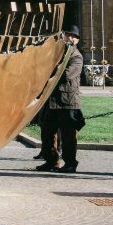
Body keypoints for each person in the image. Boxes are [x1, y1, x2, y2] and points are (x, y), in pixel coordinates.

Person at [35, 26, 84, 173]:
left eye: (72, 36)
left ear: (77, 40)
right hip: (51, 100)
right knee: (47, 131)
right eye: (67, 35)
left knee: (68, 135)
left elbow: (66, 75)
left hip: (67, 101)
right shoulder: (57, 54)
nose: (69, 38)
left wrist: (48, 71)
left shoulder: (76, 56)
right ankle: (51, 161)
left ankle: (70, 163)